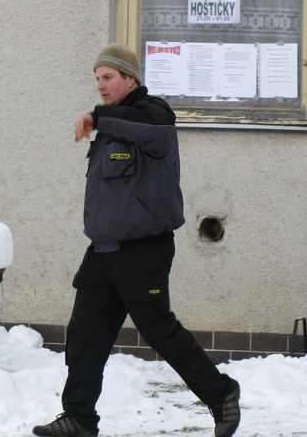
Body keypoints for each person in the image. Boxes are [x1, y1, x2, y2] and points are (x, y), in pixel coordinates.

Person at [33, 44, 240, 437]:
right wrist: (103, 121)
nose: (101, 85)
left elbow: (147, 125)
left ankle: (221, 393)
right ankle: (78, 417)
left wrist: (99, 117)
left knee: (158, 329)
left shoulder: (154, 116)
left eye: (108, 77)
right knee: (86, 334)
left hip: (143, 250)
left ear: (130, 79)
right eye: (97, 78)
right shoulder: (110, 131)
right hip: (102, 251)